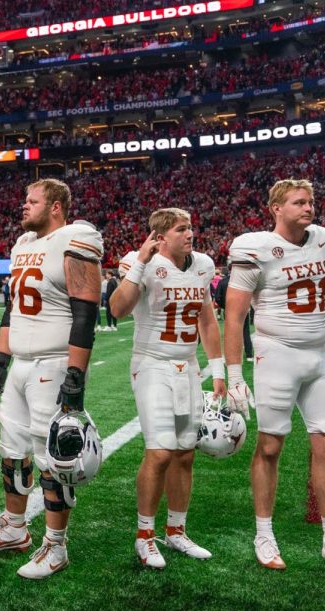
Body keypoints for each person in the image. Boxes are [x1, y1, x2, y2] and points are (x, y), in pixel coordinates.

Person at [224, 178, 325, 573]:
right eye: (298, 202)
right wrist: (232, 372)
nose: (308, 207)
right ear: (276, 208)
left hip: (318, 358)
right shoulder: (254, 247)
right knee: (271, 447)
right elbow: (235, 315)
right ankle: (264, 532)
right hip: (276, 354)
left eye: (311, 201)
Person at [0, 178, 103, 580]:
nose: (23, 207)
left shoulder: (74, 239)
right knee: (11, 451)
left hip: (53, 362)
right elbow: (14, 308)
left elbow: (86, 312)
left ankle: (56, 546)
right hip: (22, 363)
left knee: (53, 461)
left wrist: (75, 374)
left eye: (32, 201)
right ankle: (13, 529)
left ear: (57, 206)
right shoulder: (22, 245)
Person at [110, 208, 227, 569]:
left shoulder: (203, 265)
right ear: (160, 237)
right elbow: (117, 309)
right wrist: (140, 265)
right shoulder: (140, 262)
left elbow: (207, 319)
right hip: (151, 363)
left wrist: (219, 369)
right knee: (159, 452)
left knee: (185, 453)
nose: (190, 233)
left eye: (191, 226)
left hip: (188, 366)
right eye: (181, 229)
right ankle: (145, 535)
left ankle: (176, 531)